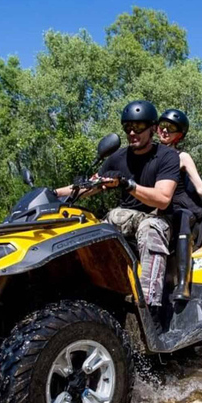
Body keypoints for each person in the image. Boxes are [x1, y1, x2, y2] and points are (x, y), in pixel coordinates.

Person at [56, 100, 180, 313]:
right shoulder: (117, 158)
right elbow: (91, 186)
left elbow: (163, 198)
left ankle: (150, 307)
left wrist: (127, 184)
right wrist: (54, 193)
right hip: (126, 216)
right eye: (128, 127)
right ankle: (90, 296)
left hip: (159, 218)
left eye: (139, 127)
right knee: (93, 228)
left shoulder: (167, 156)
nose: (133, 132)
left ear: (152, 128)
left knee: (150, 228)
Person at [157, 108, 202, 301]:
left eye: (171, 128)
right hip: (163, 213)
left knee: (182, 216)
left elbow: (201, 188)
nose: (165, 131)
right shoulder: (151, 157)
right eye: (162, 126)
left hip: (187, 215)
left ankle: (183, 284)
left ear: (179, 135)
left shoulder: (182, 157)